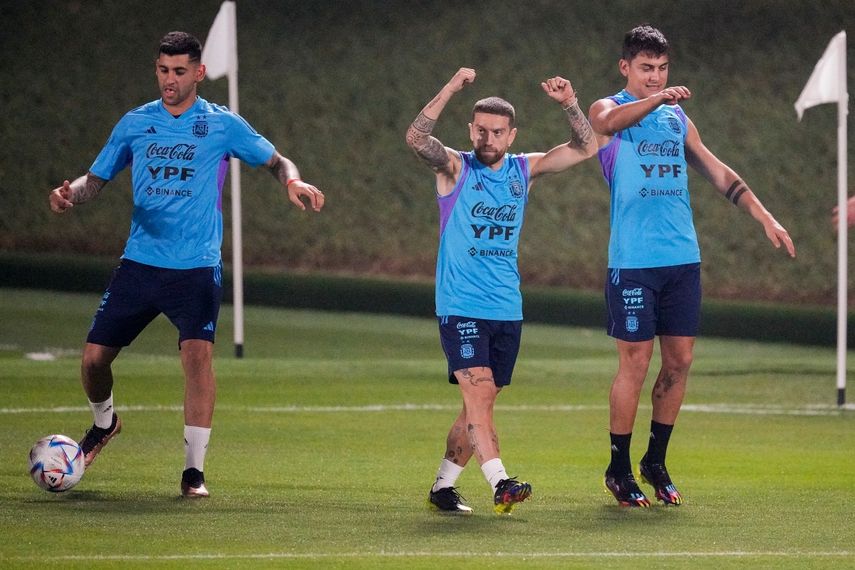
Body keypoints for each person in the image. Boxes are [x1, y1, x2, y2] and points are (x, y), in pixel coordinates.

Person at [48, 31, 324, 498]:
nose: (169, 80)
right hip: (139, 264)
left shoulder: (222, 124)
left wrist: (292, 181)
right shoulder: (136, 123)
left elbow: (277, 160)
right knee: (94, 360)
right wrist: (69, 195)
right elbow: (95, 181)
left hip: (196, 267)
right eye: (162, 70)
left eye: (178, 72)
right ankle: (105, 423)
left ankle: (193, 470)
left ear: (197, 72)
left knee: (197, 361)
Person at [589, 25, 796, 507]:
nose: (655, 77)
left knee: (680, 362)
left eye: (662, 69)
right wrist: (656, 101)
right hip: (634, 262)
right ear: (626, 68)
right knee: (635, 364)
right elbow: (605, 126)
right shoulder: (610, 107)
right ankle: (618, 468)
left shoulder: (676, 118)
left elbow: (717, 170)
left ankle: (654, 461)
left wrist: (764, 216)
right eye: (646, 69)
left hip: (682, 259)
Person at [406, 67, 598, 514]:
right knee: (478, 396)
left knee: (481, 404)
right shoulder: (455, 168)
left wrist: (570, 103)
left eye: (496, 132)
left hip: (506, 307)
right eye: (480, 130)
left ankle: (442, 487)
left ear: (511, 135)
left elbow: (586, 147)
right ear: (470, 130)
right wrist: (451, 87)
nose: (487, 139)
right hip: (461, 305)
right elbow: (416, 139)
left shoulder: (522, 171)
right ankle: (501, 481)